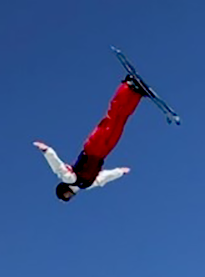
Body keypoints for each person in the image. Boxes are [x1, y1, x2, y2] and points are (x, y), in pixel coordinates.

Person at [34, 74, 148, 202]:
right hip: (102, 154)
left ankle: (127, 86)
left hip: (92, 149)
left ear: (63, 189)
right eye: (68, 198)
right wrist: (119, 172)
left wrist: (46, 151)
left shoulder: (69, 179)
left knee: (111, 118)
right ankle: (136, 94)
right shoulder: (86, 185)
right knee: (119, 123)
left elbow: (58, 167)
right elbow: (102, 178)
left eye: (65, 195)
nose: (69, 196)